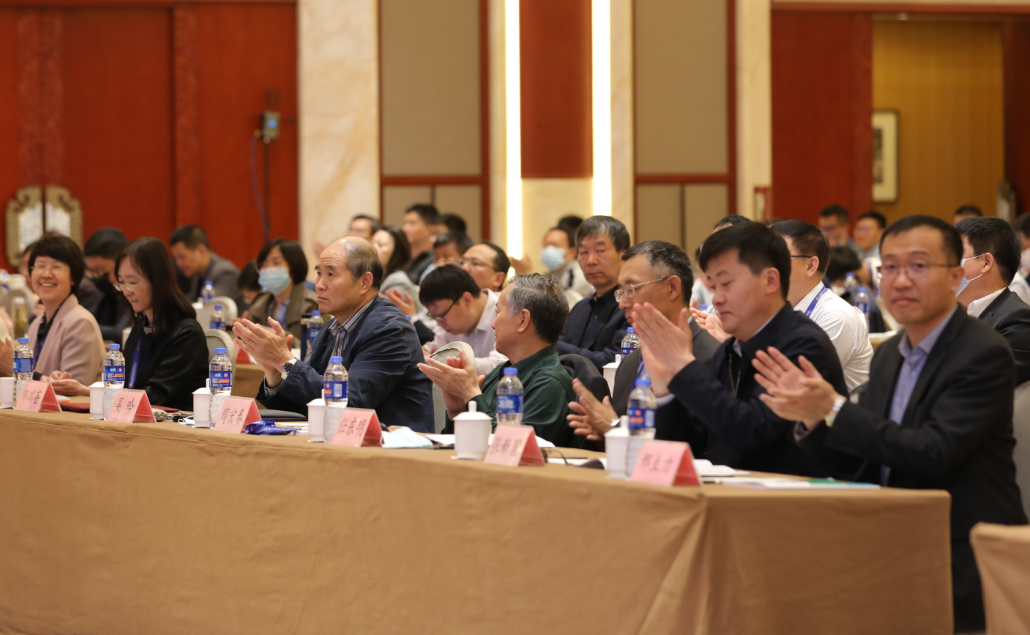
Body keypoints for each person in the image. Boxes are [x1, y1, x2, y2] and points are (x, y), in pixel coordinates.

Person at [753, 215, 1027, 631]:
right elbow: (865, 460)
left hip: (961, 552)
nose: (899, 280)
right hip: (891, 542)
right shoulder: (890, 355)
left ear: (955, 276)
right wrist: (813, 421)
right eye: (890, 267)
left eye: (918, 266)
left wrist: (835, 408)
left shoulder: (983, 352)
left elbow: (932, 453)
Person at [631, 221, 848, 476]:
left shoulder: (803, 344)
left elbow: (751, 433)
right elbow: (695, 445)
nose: (716, 299)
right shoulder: (731, 350)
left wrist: (684, 366)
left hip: (790, 497)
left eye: (726, 284)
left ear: (770, 281)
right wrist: (665, 388)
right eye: (713, 287)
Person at [237, 237, 433, 430]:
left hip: (392, 444)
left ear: (364, 282)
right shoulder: (330, 328)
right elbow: (306, 404)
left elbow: (350, 403)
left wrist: (283, 360)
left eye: (330, 274)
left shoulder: (389, 330)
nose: (319, 284)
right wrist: (275, 374)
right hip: (340, 440)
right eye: (318, 274)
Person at [567, 241, 720, 449]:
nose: (622, 304)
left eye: (631, 289)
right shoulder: (629, 363)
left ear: (672, 287)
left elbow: (699, 448)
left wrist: (615, 427)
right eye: (621, 292)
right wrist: (607, 437)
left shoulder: (713, 358)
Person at [419, 274, 577, 446]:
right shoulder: (501, 371)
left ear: (523, 320)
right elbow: (459, 446)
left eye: (498, 313)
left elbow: (509, 447)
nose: (493, 324)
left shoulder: (550, 383)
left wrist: (470, 394)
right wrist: (458, 410)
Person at [771, 220, 872, 392]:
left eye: (777, 258)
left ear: (810, 266)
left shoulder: (835, 316)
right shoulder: (776, 308)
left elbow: (795, 388)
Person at [17, 234, 104, 393]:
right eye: (40, 266)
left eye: (56, 267)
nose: (46, 274)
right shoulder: (37, 323)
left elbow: (72, 391)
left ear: (74, 278)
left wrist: (13, 368)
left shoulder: (80, 322)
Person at [955, 217, 1030, 386]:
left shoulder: (1018, 320)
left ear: (986, 263)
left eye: (954, 257)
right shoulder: (959, 314)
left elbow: (979, 383)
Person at [556, 216, 630, 370]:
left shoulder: (631, 307)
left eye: (600, 251)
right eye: (583, 252)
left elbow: (613, 362)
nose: (591, 260)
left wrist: (550, 345)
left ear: (623, 254)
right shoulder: (579, 308)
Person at [419, 265, 506, 375]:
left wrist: (440, 361)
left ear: (467, 300)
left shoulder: (505, 310)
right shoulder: (452, 321)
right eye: (434, 317)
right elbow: (432, 349)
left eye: (441, 315)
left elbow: (500, 365)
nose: (439, 324)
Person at [244, 239, 318, 342]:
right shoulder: (260, 301)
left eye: (276, 262)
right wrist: (242, 330)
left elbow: (316, 347)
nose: (268, 269)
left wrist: (274, 335)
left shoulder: (311, 304)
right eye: (264, 264)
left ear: (293, 266)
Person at [511, 226, 593, 304]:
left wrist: (530, 276)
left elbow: (565, 304)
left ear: (571, 252)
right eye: (546, 245)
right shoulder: (549, 274)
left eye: (555, 245)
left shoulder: (580, 273)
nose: (548, 249)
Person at [82, 227, 134, 343]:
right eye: (92, 272)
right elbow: (90, 317)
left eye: (100, 270)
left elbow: (121, 333)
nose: (98, 277)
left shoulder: (133, 292)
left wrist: (79, 325)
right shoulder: (108, 294)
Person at [169, 225, 242, 306]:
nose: (178, 263)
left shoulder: (226, 273)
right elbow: (190, 301)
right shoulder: (198, 272)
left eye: (182, 257)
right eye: (176, 258)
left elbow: (211, 307)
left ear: (201, 251)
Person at [373, 226, 423, 313]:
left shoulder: (398, 282)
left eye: (380, 245)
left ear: (397, 252)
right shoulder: (378, 276)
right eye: (371, 243)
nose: (373, 248)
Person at [402, 204, 439, 284]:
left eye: (412, 223)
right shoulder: (402, 256)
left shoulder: (435, 258)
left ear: (430, 228)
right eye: (405, 223)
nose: (405, 228)